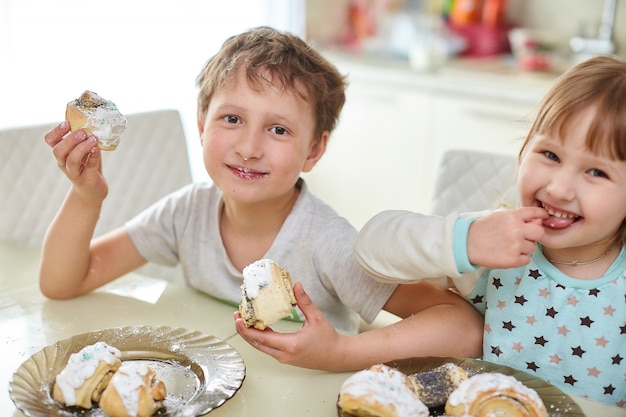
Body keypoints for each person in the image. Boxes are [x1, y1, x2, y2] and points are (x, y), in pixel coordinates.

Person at [40, 26, 483, 357]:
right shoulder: (184, 214)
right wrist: (86, 196)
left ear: (314, 150)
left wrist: (340, 354)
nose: (249, 148)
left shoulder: (328, 243)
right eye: (232, 119)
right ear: (201, 123)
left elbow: (463, 326)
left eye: (278, 129)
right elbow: (63, 283)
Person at [353, 55, 626, 408]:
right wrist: (465, 241)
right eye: (550, 155)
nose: (559, 189)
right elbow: (369, 248)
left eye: (596, 173)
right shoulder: (496, 243)